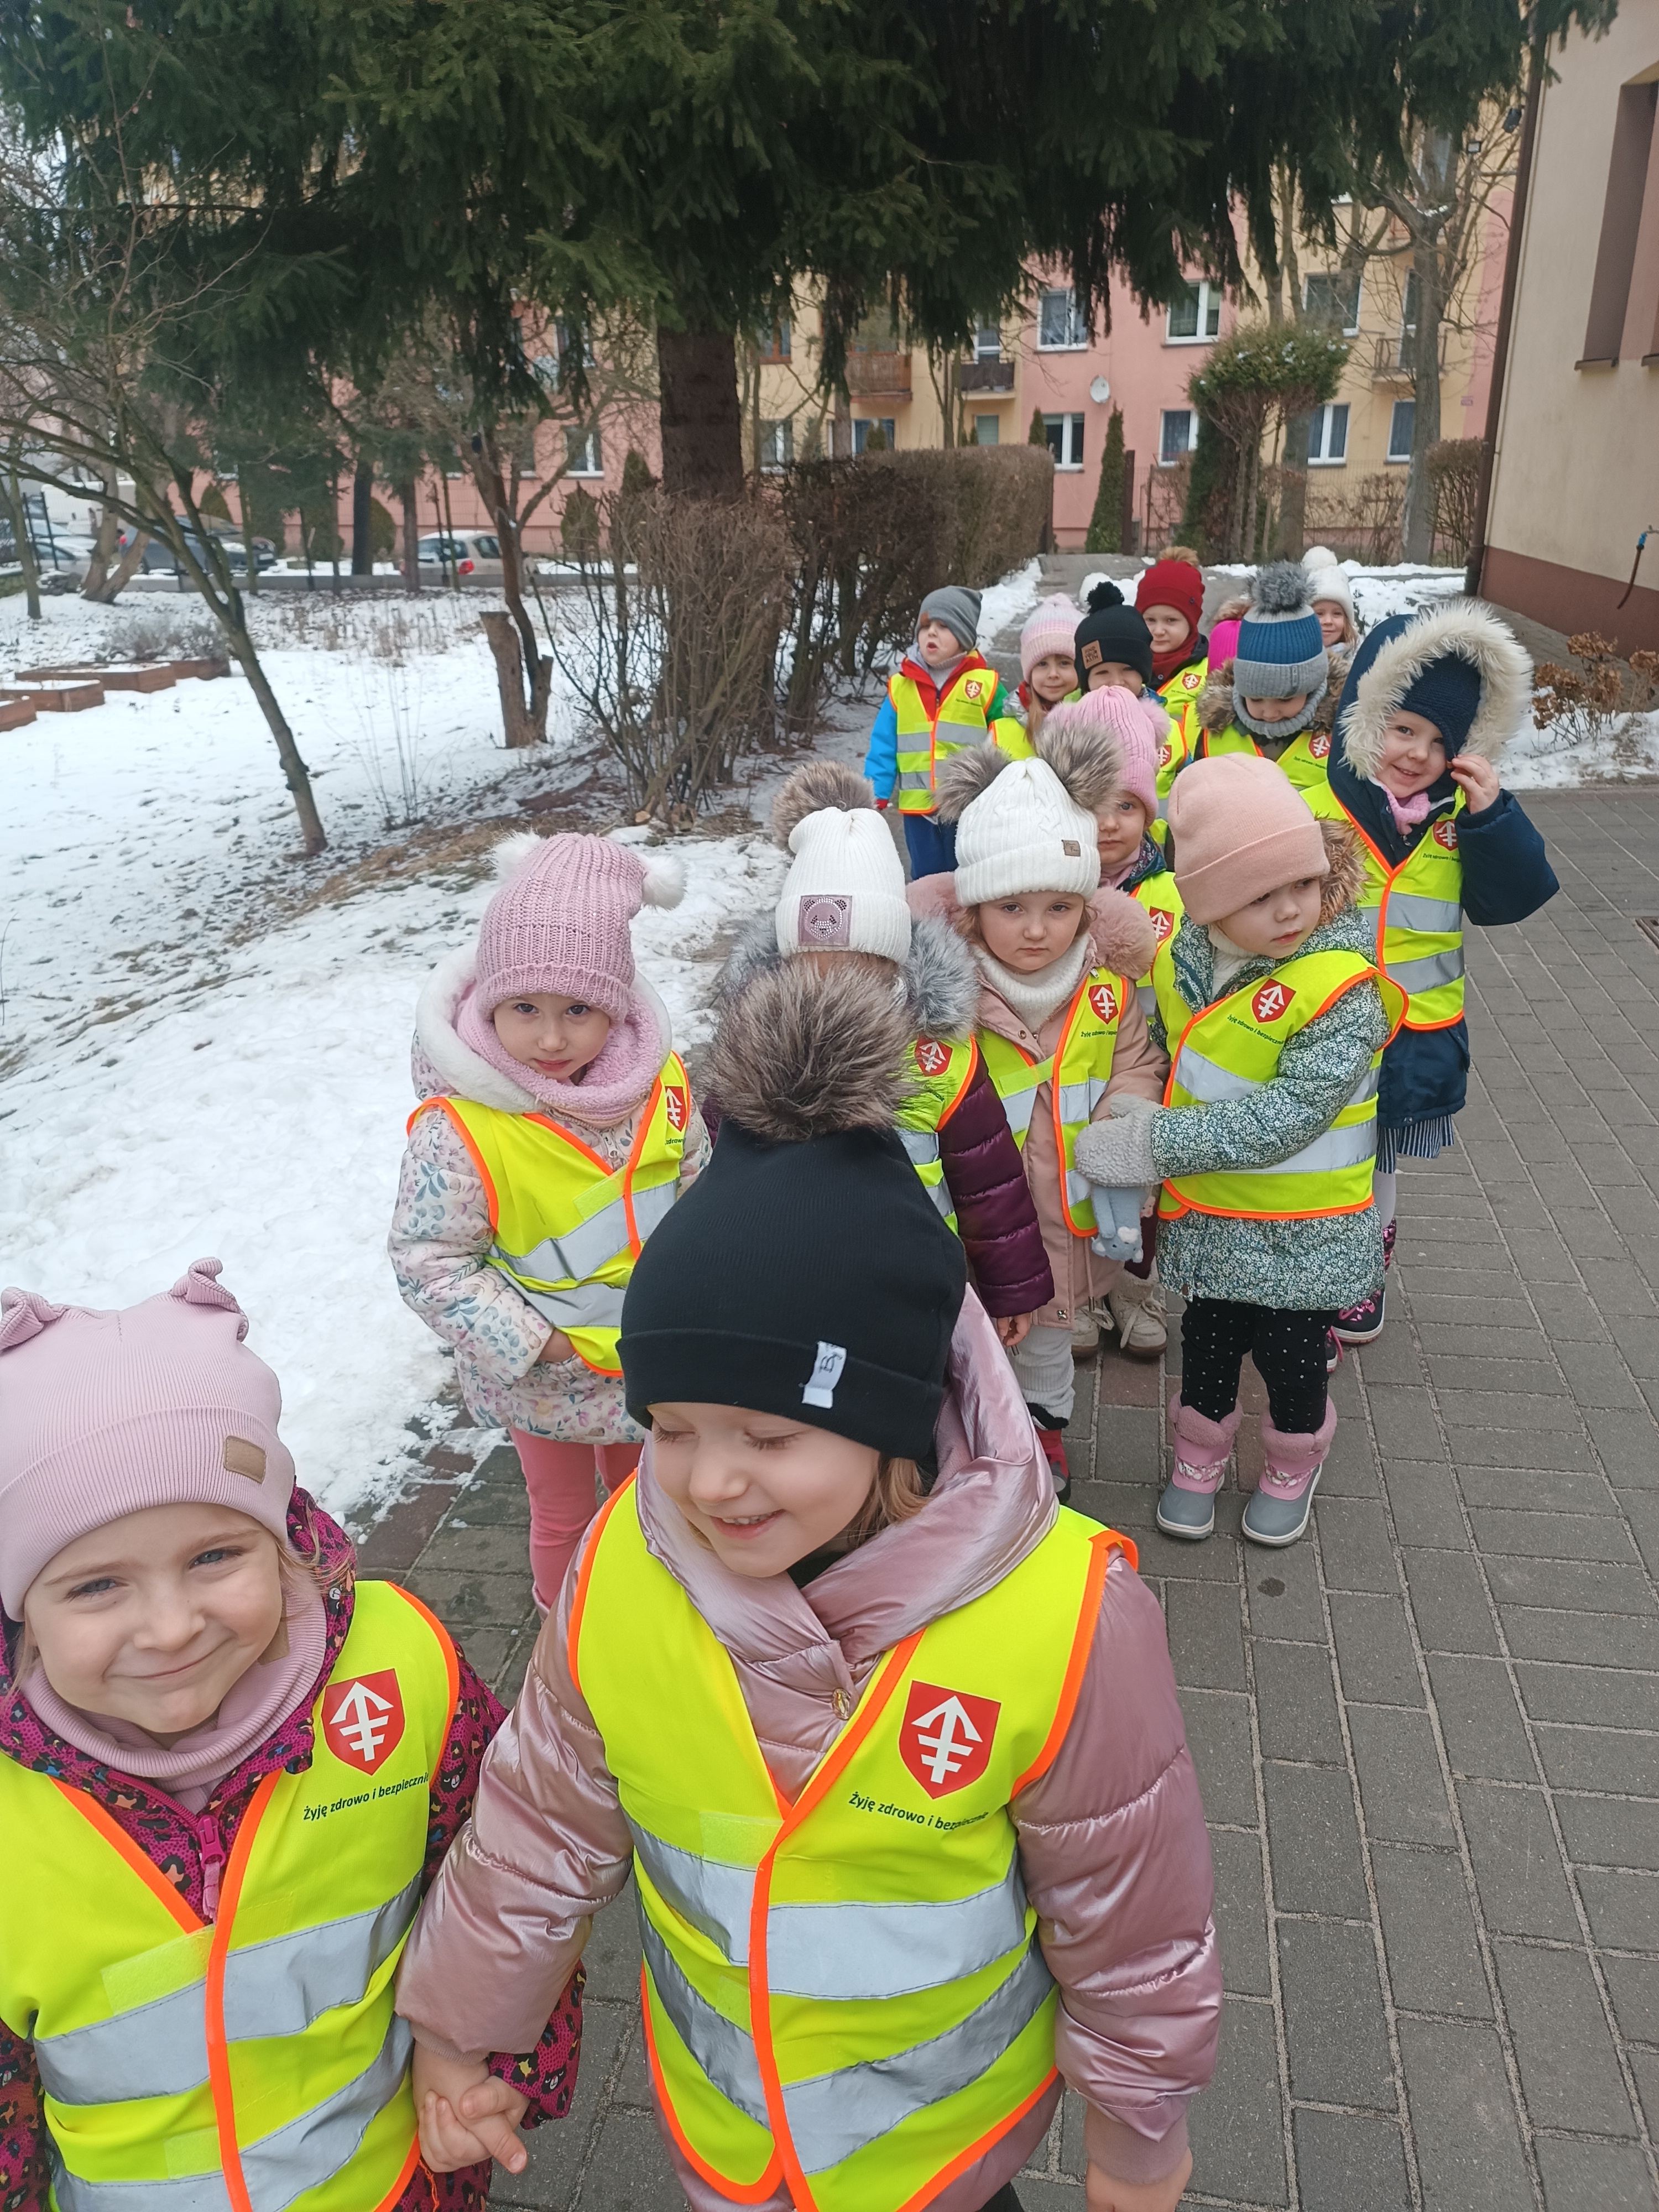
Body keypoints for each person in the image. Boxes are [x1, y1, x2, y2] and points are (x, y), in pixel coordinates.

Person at [395, 967, 1220, 2212]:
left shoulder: (1065, 1617)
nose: (709, 1481)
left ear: (890, 1424)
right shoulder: (625, 1565)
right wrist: (463, 2033)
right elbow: (538, 1826)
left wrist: (1138, 2141)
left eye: (769, 1435)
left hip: (942, 2155)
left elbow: (1132, 1917)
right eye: (672, 1428)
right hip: (731, 2137)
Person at [0, 1259, 582, 2209]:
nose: (171, 1627)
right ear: (22, 1606)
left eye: (215, 1555)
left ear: (279, 1539)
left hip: (398, 2183)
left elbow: (511, 1876)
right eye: (97, 1585)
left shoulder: (399, 1675)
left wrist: (489, 2057)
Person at [1077, 758, 1405, 1547]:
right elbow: (1171, 1050)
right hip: (1214, 1218)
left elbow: (1289, 1117)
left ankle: (1293, 1461)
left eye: (1302, 883)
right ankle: (1199, 1454)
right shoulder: (1192, 961)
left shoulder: (1338, 987)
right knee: (1209, 1348)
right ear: (1211, 903)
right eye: (1259, 896)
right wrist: (1136, 1098)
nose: (1290, 909)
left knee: (1292, 1361)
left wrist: (1153, 1142)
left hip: (1306, 1229)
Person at [389, 831, 707, 1614]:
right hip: (547, 1378)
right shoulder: (462, 1128)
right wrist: (540, 1343)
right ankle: (561, 1636)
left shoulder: (660, 1086)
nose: (553, 1038)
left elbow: (701, 1191)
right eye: (525, 1008)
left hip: (650, 1356)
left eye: (579, 1010)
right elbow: (431, 1262)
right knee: (561, 1515)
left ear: (617, 1007)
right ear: (489, 1001)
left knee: (649, 1503)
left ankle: (640, 1616)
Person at [713, 757, 1053, 1335]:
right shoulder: (756, 1046)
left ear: (894, 960)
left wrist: (1010, 1287)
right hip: (791, 1284)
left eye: (859, 967)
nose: (834, 991)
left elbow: (987, 1178)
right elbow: (721, 1179)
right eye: (813, 969)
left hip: (916, 1282)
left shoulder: (938, 1054)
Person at [911, 722, 1162, 1494]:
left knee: (1050, 1341)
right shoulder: (948, 996)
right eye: (1012, 905)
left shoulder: (1107, 990)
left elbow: (1136, 1064)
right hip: (973, 1220)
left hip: (1063, 1213)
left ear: (1086, 908)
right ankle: (966, 1445)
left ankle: (1043, 1435)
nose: (1035, 929)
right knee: (966, 1339)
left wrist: (1124, 1117)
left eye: (1059, 906)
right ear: (974, 908)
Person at [1308, 603, 1557, 1347]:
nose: (1418, 754)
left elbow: (1513, 898)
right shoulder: (1316, 804)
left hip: (1414, 1033)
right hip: (1318, 1025)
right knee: (1317, 1153)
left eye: (1442, 741)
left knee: (1377, 1161)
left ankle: (1363, 1271)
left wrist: (1492, 818)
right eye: (1403, 728)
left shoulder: (1461, 820)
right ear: (1365, 717)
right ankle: (1303, 1275)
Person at [1081, 686, 1185, 1359]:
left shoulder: (1173, 891)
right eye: (1094, 803)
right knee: (1078, 1169)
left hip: (1151, 1066)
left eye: (1127, 805)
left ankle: (1134, 1289)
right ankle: (1083, 1287)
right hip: (1078, 1062)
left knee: (1144, 1180)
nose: (1110, 822)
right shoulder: (1057, 891)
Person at [862, 584, 1030, 878]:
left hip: (969, 806)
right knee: (925, 878)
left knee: (970, 875)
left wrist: (1015, 787)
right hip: (918, 811)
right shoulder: (901, 687)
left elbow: (1010, 735)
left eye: (943, 626)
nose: (932, 633)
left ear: (964, 636)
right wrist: (875, 794)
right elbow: (884, 745)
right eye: (925, 626)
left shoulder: (985, 685)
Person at [1185, 562, 1340, 791]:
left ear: (1314, 685)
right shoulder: (1216, 729)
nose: (1269, 713)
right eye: (1255, 699)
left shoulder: (1342, 736)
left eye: (1285, 699)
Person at [1070, 582, 1179, 797]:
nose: (1117, 681)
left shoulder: (1169, 729)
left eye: (1128, 669)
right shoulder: (1068, 731)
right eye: (1102, 672)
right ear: (1086, 680)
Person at [1014, 596, 1081, 742]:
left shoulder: (1099, 720)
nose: (1053, 674)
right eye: (1042, 664)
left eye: (1064, 663)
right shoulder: (1006, 728)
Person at [1302, 546, 1360, 658]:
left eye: (1337, 614)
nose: (1328, 621)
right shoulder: (1292, 660)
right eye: (1319, 614)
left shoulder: (1360, 659)